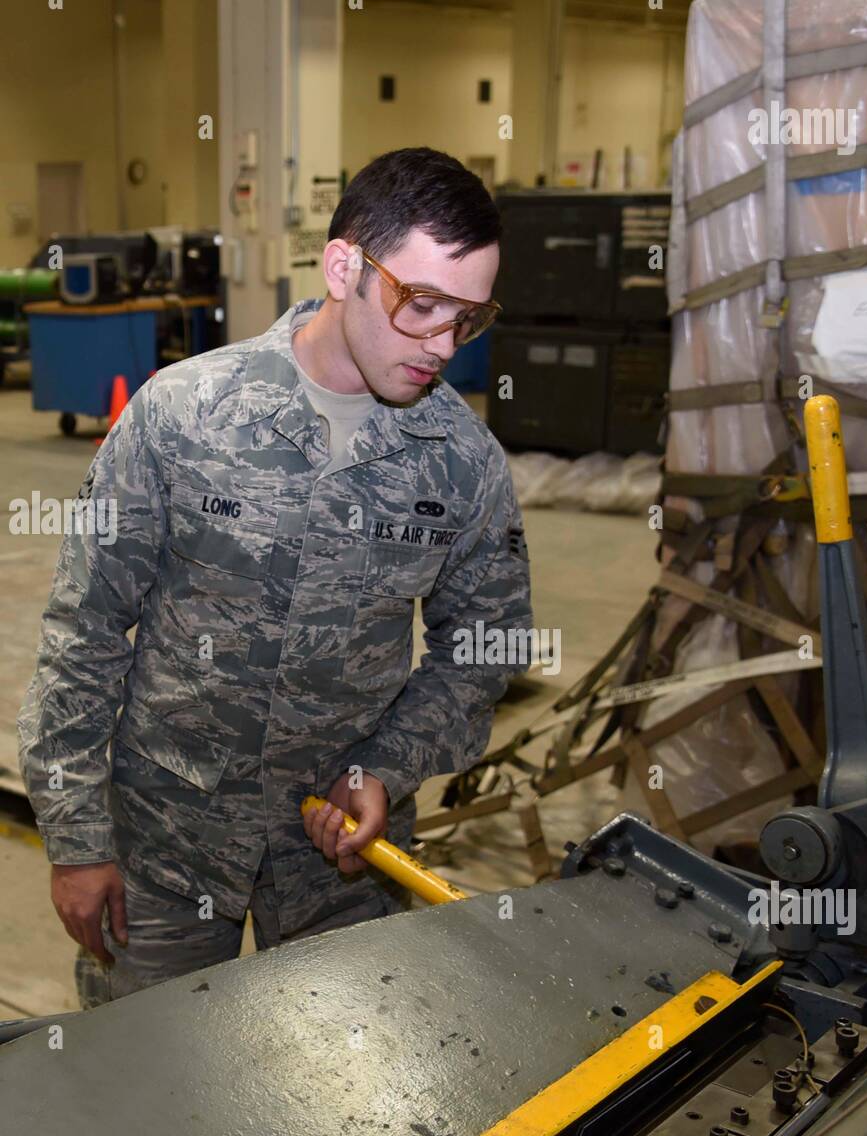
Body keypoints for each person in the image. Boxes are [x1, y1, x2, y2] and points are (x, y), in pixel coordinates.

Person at [18, 146, 533, 1007]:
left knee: (343, 1094)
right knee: (146, 1087)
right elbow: (87, 630)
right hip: (168, 842)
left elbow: (482, 646)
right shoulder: (184, 415)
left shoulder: (462, 462)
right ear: (344, 267)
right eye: (423, 305)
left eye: (469, 319)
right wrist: (75, 838)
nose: (443, 345)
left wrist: (384, 769)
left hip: (340, 855)